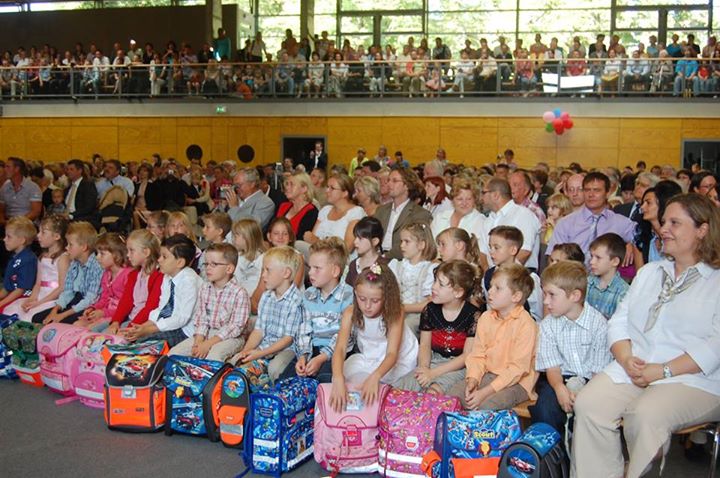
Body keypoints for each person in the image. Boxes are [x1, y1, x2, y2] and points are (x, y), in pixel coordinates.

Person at [572, 194, 720, 478]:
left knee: (645, 414)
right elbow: (619, 322)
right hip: (636, 367)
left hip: (694, 378)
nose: (664, 229)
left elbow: (715, 346)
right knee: (589, 404)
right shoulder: (650, 272)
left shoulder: (715, 280)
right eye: (664, 222)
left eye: (675, 223)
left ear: (702, 230)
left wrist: (661, 371)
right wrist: (626, 359)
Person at [530, 261, 611, 443]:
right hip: (558, 378)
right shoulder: (548, 325)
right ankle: (552, 461)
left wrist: (583, 394)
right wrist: (560, 389)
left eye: (552, 295)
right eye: (544, 294)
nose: (545, 301)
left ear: (575, 295)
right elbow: (552, 367)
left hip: (592, 381)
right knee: (545, 409)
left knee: (588, 411)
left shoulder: (598, 324)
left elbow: (599, 371)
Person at [330, 264, 419, 412]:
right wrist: (337, 377)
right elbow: (339, 349)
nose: (367, 306)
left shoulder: (395, 313)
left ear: (386, 298)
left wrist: (375, 377)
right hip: (370, 356)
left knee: (379, 390)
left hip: (396, 359)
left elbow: (392, 354)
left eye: (375, 301)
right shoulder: (350, 313)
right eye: (362, 299)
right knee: (349, 381)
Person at [396, 260, 481, 394]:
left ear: (458, 292)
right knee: (400, 388)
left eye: (440, 284)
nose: (433, 287)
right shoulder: (429, 310)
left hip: (457, 368)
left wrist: (433, 373)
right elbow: (424, 345)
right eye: (435, 281)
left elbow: (466, 357)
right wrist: (424, 369)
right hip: (432, 360)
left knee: (433, 392)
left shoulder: (473, 315)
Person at [461, 263, 538, 410]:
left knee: (485, 407)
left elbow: (517, 369)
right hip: (488, 374)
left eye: (498, 288)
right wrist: (473, 379)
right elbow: (477, 355)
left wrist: (484, 392)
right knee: (454, 397)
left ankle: (481, 434)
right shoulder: (485, 317)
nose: (490, 292)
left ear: (516, 296)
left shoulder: (527, 325)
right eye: (490, 286)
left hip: (517, 382)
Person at [284, 238, 353, 383]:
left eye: (317, 268)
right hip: (311, 350)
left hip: (337, 353)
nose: (310, 273)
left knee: (324, 381)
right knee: (286, 379)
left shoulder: (348, 296)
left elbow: (346, 336)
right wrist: (303, 356)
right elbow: (303, 329)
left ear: (335, 271)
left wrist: (322, 358)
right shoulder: (308, 295)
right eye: (310, 267)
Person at [232, 246, 303, 382]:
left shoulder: (296, 301)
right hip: (266, 346)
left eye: (267, 270)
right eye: (263, 270)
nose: (263, 275)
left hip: (287, 349)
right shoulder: (266, 296)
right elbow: (259, 331)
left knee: (275, 368)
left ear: (286, 273)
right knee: (236, 363)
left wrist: (259, 353)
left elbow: (288, 339)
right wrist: (245, 352)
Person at [169, 243, 248, 362]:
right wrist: (199, 342)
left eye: (214, 264)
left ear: (229, 269)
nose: (208, 268)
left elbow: (235, 327)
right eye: (206, 264)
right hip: (207, 333)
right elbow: (201, 319)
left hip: (231, 337)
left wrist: (208, 344)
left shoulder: (239, 293)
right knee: (173, 354)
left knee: (212, 358)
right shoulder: (205, 288)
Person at [121, 234, 201, 347]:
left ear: (180, 262)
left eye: (164, 257)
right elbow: (162, 309)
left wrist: (150, 330)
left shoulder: (189, 281)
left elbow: (181, 318)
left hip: (186, 331)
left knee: (141, 343)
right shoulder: (167, 277)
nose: (159, 260)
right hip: (171, 325)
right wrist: (144, 326)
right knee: (134, 338)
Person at [547, 172, 635, 265]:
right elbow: (552, 257)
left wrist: (632, 245)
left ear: (608, 193)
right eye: (587, 190)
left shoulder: (620, 222)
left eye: (596, 190)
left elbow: (642, 237)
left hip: (606, 277)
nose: (591, 194)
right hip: (572, 275)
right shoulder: (566, 223)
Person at [32, 222, 103, 325]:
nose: (66, 248)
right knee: (37, 318)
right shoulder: (74, 263)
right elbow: (68, 291)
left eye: (70, 244)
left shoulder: (97, 266)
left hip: (89, 305)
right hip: (75, 300)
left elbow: (90, 299)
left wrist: (62, 315)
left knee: (57, 323)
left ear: (83, 247)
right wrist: (55, 311)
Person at [5, 215, 69, 322]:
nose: (38, 236)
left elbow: (62, 287)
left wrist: (40, 302)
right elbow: (38, 283)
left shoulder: (63, 258)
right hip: (39, 295)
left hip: (52, 298)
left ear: (57, 236)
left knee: (30, 317)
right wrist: (32, 299)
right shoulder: (42, 257)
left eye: (43, 232)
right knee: (11, 310)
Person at [106, 229, 163, 335]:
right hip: (131, 320)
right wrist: (115, 321)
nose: (128, 255)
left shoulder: (159, 276)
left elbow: (150, 308)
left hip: (142, 325)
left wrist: (129, 328)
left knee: (109, 339)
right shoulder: (134, 275)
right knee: (97, 332)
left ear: (146, 252)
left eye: (131, 250)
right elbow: (126, 300)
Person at [479, 178, 541, 273]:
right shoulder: (488, 219)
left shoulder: (523, 215)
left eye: (484, 193)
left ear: (495, 195)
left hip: (519, 275)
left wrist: (503, 274)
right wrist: (488, 274)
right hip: (493, 275)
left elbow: (524, 252)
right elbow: (482, 252)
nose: (481, 197)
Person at [482, 226, 543, 321]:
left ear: (513, 250)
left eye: (496, 248)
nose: (491, 252)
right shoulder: (488, 275)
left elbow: (537, 312)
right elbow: (489, 304)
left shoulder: (528, 277)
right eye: (490, 247)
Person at [388, 223, 438, 336]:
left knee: (406, 325)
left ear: (421, 245)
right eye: (401, 241)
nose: (402, 245)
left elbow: (430, 303)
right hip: (396, 311)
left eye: (407, 242)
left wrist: (404, 308)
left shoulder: (430, 269)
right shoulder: (396, 265)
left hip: (417, 315)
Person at [74, 233, 131, 329]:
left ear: (116, 255)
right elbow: (104, 298)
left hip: (119, 315)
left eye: (102, 254)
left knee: (90, 329)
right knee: (77, 324)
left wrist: (103, 313)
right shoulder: (106, 274)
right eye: (97, 253)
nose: (97, 257)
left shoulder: (128, 275)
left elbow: (126, 305)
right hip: (106, 312)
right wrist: (94, 308)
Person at [375, 168, 432, 260]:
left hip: (402, 261)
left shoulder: (420, 214)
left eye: (394, 181)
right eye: (388, 180)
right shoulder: (381, 210)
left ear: (407, 186)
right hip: (378, 257)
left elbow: (413, 245)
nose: (388, 184)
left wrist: (383, 258)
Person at [303, 173, 364, 252]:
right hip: (318, 254)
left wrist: (317, 241)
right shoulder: (325, 210)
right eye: (327, 187)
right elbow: (312, 237)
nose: (327, 191)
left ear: (345, 193)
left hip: (340, 260)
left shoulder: (356, 212)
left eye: (332, 188)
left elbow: (347, 248)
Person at [586, 233, 630, 320]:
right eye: (592, 256)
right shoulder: (586, 282)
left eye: (598, 257)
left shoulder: (623, 291)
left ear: (615, 261)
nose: (591, 261)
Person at [0, 217, 38, 314]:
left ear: (22, 240)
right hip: (12, 297)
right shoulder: (14, 258)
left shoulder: (28, 260)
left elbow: (21, 289)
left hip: (23, 299)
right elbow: (7, 288)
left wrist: (1, 303)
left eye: (9, 237)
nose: (4, 239)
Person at [231, 219, 267, 314]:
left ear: (248, 237)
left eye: (236, 235)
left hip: (255, 302)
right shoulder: (238, 256)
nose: (233, 238)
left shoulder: (263, 258)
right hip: (238, 299)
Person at [0, 157, 42, 226]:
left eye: (8, 167)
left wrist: (18, 222)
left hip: (27, 224)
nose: (5, 170)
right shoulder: (5, 188)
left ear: (17, 169)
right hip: (8, 223)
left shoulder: (33, 187)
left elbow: (35, 212)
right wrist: (2, 221)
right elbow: (1, 210)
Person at [275, 172, 318, 240]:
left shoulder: (311, 211)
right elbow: (270, 229)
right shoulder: (283, 206)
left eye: (292, 184)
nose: (287, 187)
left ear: (304, 188)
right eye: (287, 184)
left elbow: (300, 239)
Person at [346, 217, 386, 287]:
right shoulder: (353, 265)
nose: (355, 242)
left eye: (360, 238)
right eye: (355, 237)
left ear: (375, 241)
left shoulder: (386, 265)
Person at [64, 159, 99, 227]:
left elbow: (89, 207)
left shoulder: (88, 185)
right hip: (67, 218)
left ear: (79, 171)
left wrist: (71, 216)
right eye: (67, 169)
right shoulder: (68, 188)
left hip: (82, 219)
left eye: (71, 169)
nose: (68, 172)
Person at [198, 211, 232, 278]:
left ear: (219, 231)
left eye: (207, 227)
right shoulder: (207, 249)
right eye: (204, 226)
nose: (203, 230)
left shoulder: (226, 252)